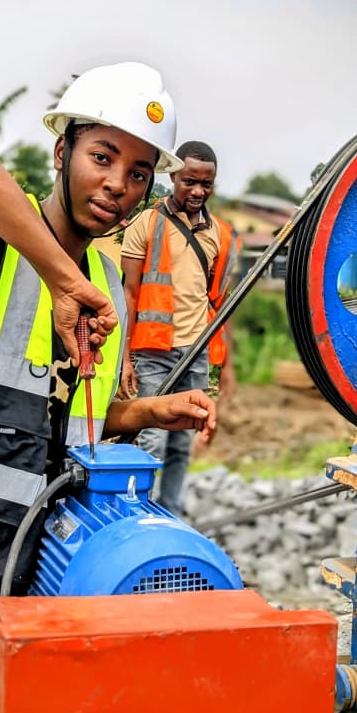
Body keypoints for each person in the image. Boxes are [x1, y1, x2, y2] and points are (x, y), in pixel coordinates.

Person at [0, 62, 217, 649]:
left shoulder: (108, 285)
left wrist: (148, 413)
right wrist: (60, 279)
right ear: (62, 153)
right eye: (101, 158)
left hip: (40, 540)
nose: (117, 185)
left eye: (138, 173)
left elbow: (68, 418)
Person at [118, 140, 237, 516]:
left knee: (182, 441)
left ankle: (168, 514)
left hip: (196, 352)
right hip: (152, 352)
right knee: (152, 438)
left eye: (207, 184)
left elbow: (221, 303)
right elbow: (129, 293)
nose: (198, 191)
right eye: (190, 181)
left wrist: (227, 364)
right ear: (173, 176)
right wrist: (123, 359)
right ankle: (141, 516)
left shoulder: (221, 234)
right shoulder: (146, 224)